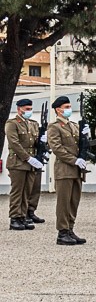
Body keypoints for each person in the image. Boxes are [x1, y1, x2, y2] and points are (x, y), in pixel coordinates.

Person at [46, 96, 86, 245]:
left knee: (74, 201)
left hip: (77, 170)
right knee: (64, 203)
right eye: (66, 107)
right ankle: (62, 233)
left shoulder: (74, 125)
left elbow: (80, 145)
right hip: (64, 169)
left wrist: (86, 135)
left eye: (69, 106)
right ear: (58, 110)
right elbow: (57, 148)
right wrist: (74, 160)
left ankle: (70, 229)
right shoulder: (54, 127)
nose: (69, 109)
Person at [6, 99, 44, 231]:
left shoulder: (32, 124)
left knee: (27, 191)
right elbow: (14, 143)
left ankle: (22, 216)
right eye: (27, 109)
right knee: (17, 191)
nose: (29, 111)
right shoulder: (12, 123)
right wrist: (28, 158)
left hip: (30, 163)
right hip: (18, 162)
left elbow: (35, 142)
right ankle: (14, 218)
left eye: (30, 109)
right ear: (19, 109)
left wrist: (42, 142)